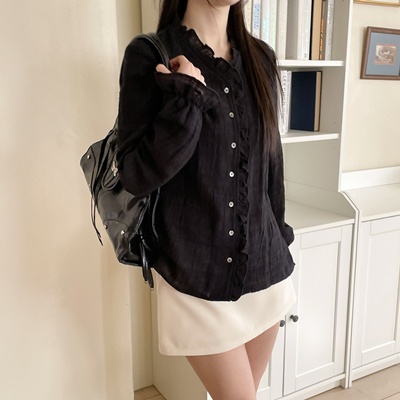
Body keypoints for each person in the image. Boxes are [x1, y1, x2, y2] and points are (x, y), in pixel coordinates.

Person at [116, 1, 296, 399]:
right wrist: (188, 98)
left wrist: (281, 238)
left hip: (266, 266)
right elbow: (136, 175)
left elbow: (271, 162)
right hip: (195, 273)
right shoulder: (151, 55)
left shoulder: (260, 58)